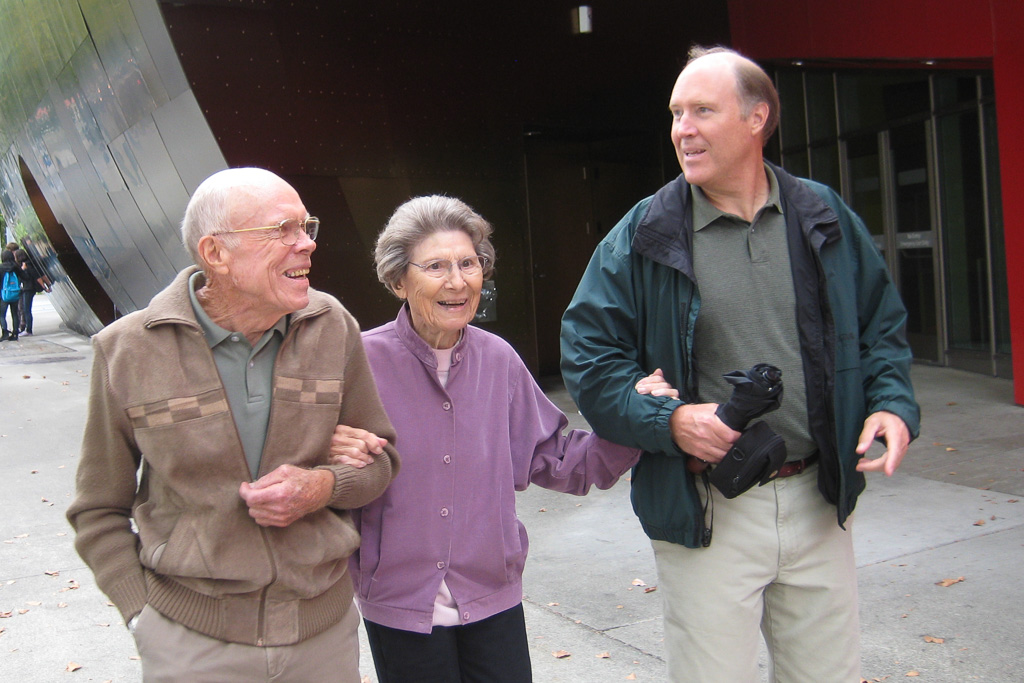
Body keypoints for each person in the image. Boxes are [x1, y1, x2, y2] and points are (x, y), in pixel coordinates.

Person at [560, 46, 921, 682]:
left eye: (702, 110)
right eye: (675, 113)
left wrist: (891, 402)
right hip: (708, 508)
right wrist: (668, 421)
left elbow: (879, 327)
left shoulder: (824, 216)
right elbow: (589, 357)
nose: (682, 129)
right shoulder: (645, 232)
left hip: (820, 496)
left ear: (757, 119)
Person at [67, 167, 400, 683]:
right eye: (280, 230)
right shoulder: (126, 350)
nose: (305, 245)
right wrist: (140, 615)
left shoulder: (332, 325)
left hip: (322, 639)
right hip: (192, 643)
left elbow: (382, 461)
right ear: (215, 253)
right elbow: (97, 509)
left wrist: (323, 485)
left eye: (305, 227)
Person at [328, 195, 675, 682]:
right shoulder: (361, 362)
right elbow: (321, 461)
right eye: (435, 266)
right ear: (398, 280)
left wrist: (634, 418)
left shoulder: (499, 360)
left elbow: (557, 458)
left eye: (468, 263)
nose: (457, 281)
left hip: (490, 594)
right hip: (400, 602)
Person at [16, 247, 51, 336]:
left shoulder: (27, 266)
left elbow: (37, 277)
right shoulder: (30, 263)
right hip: (29, 289)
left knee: (27, 309)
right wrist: (48, 285)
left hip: (28, 288)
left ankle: (29, 330)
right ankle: (28, 329)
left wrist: (45, 287)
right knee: (26, 309)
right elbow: (41, 276)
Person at [1, 247, 29, 342]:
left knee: (1, 314)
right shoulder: (16, 267)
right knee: (15, 313)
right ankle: (15, 333)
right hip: (15, 294)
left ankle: (4, 332)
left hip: (3, 295)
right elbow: (25, 277)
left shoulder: (1, 268)